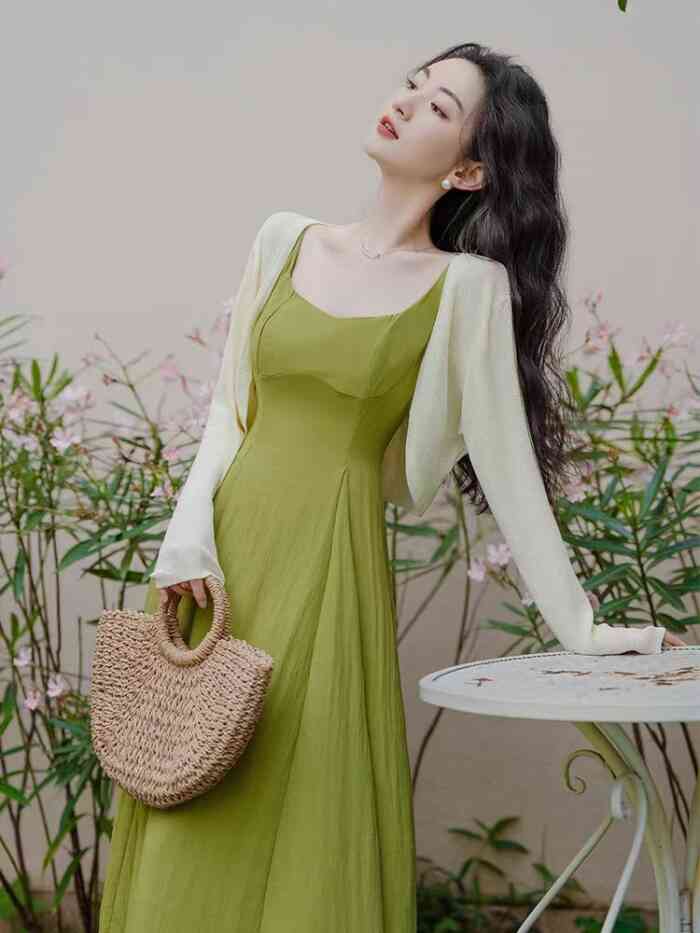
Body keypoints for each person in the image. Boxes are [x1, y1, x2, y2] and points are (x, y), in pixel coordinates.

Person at [98, 42, 685, 933]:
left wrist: (586, 629)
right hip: (215, 563)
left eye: (440, 107)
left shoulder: (466, 290)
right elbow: (228, 410)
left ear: (469, 170)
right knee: (185, 791)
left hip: (329, 578)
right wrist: (185, 541)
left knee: (301, 817)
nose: (406, 103)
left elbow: (510, 472)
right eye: (414, 86)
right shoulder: (283, 239)